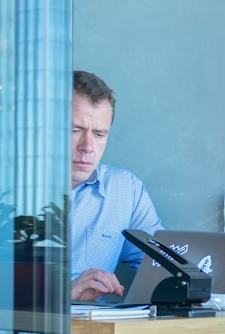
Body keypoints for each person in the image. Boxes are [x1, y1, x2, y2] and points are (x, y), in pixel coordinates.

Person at [69, 70, 164, 302]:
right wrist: (60, 294)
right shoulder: (5, 192)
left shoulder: (125, 190)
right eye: (74, 130)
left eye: (100, 134)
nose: (88, 147)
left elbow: (160, 267)